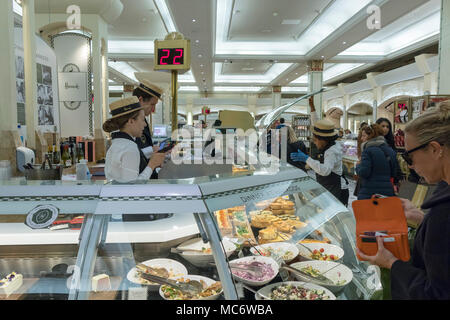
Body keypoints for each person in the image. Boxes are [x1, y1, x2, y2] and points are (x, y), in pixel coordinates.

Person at [357, 101, 450, 299]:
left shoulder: (444, 210)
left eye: (410, 157)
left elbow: (436, 293)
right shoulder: (442, 200)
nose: (411, 166)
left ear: (435, 149)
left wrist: (391, 262)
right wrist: (422, 219)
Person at [103, 97, 166, 183]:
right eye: (143, 119)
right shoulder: (130, 147)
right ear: (131, 121)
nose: (144, 124)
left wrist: (151, 151)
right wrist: (152, 165)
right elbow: (132, 187)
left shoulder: (118, 143)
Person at [290, 116, 349, 206]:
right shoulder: (330, 145)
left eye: (315, 140)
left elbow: (325, 171)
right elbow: (318, 123)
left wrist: (307, 159)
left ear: (323, 140)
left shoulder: (331, 151)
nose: (314, 142)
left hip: (336, 189)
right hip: (329, 186)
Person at [355, 124, 399, 200]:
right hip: (387, 192)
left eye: (364, 136)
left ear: (371, 136)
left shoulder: (368, 151)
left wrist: (358, 165)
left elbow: (364, 172)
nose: (362, 139)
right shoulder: (390, 150)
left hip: (369, 193)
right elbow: (395, 172)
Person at [133, 80, 164, 159]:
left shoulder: (143, 120)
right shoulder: (130, 122)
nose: (153, 109)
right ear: (140, 100)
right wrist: (151, 150)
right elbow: (130, 154)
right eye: (152, 104)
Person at [375, 117, 403, 192]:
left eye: (387, 127)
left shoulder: (390, 141)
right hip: (378, 178)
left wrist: (398, 176)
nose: (385, 129)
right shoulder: (373, 142)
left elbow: (394, 161)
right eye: (383, 126)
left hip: (390, 177)